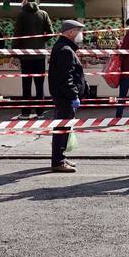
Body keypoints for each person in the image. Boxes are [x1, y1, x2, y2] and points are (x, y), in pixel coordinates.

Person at [48, 19, 86, 172]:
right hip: (65, 98)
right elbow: (66, 78)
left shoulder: (64, 48)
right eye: (78, 31)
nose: (80, 34)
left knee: (63, 128)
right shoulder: (65, 50)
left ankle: (60, 157)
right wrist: (73, 95)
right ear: (70, 32)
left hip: (63, 96)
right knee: (62, 129)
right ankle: (58, 162)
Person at [14, 0, 54, 118]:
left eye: (23, 0)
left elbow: (17, 35)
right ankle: (40, 113)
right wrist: (41, 42)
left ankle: (25, 113)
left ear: (26, 1)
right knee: (39, 86)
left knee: (26, 85)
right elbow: (50, 33)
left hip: (25, 56)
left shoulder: (21, 15)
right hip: (40, 56)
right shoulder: (43, 14)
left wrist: (15, 52)